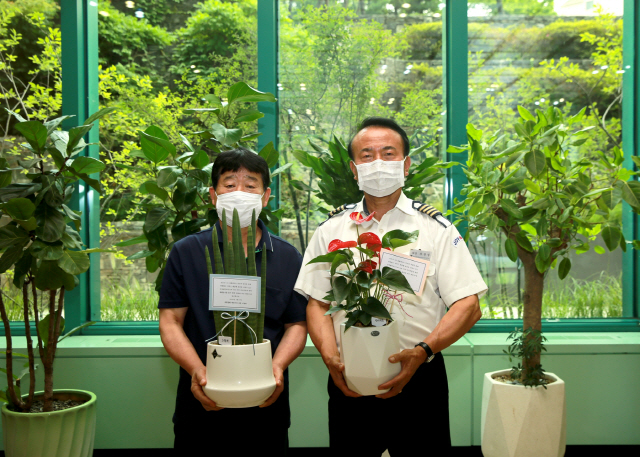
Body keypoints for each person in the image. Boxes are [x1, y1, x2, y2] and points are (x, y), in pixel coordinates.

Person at [294, 117, 487, 455]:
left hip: (419, 373)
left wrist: (422, 351)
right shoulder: (331, 230)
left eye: (388, 153)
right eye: (367, 156)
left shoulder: (436, 229)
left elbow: (468, 305)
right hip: (348, 373)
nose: (378, 163)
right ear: (354, 170)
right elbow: (316, 303)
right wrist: (329, 357)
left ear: (406, 164)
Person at [159, 148, 308, 454]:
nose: (239, 192)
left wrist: (277, 367)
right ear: (214, 195)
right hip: (201, 398)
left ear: (265, 196)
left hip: (267, 400)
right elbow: (170, 321)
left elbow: (297, 324)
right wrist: (197, 371)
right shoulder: (186, 252)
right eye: (229, 184)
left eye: (250, 185)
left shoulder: (286, 256)